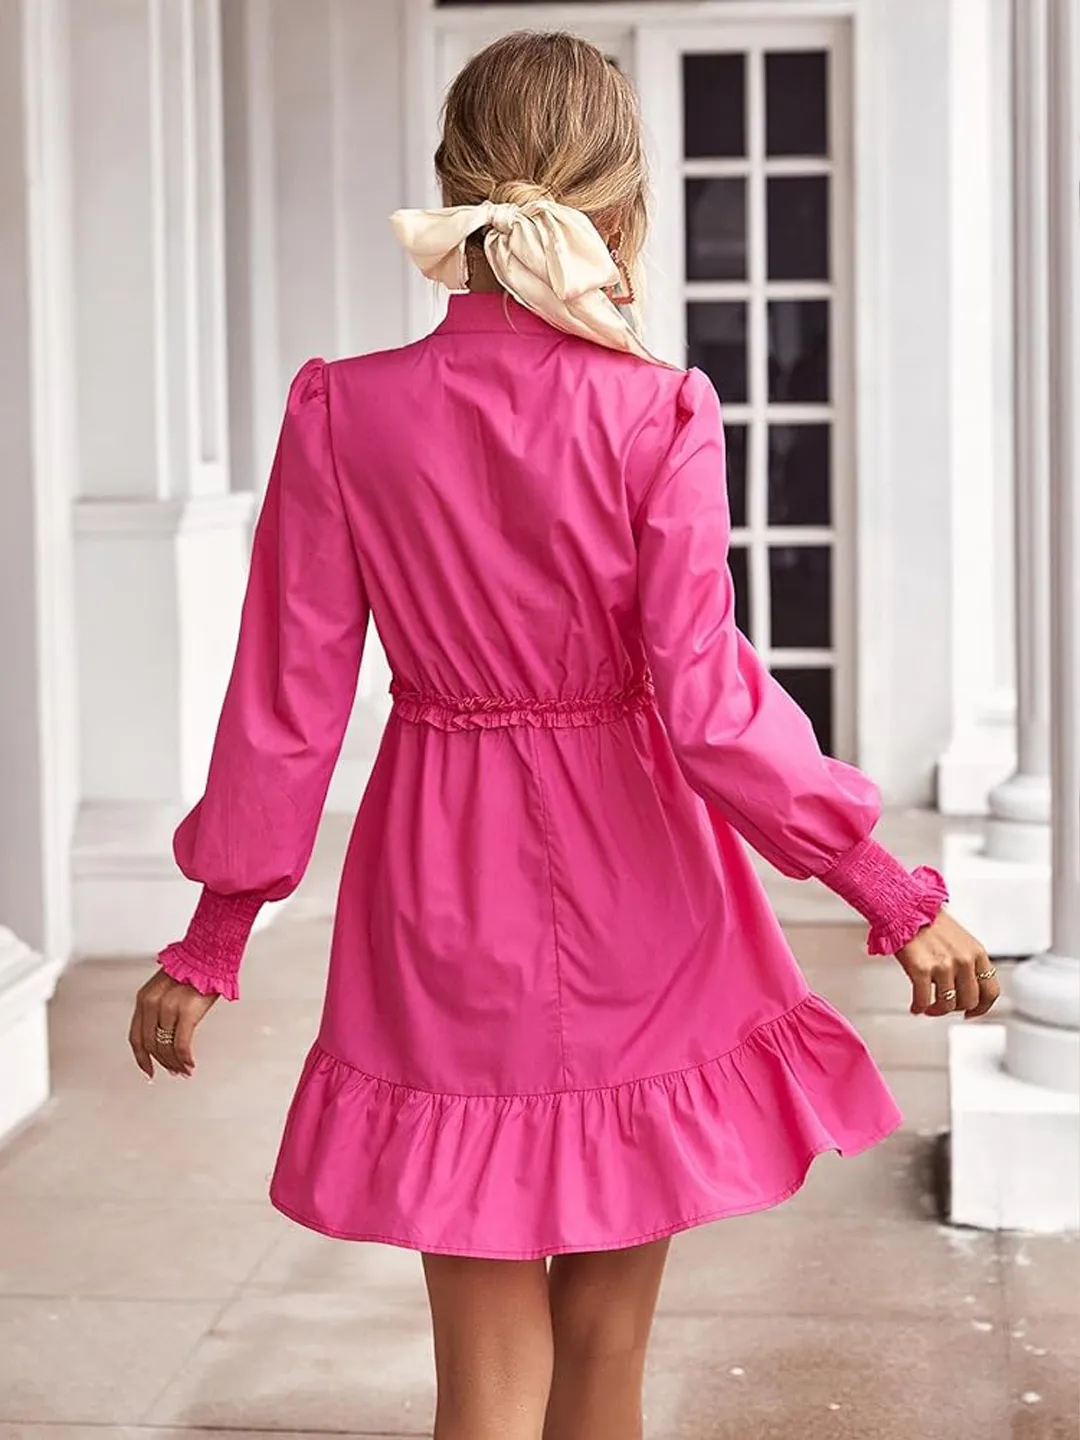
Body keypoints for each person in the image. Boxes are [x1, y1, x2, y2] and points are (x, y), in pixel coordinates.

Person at [128, 31, 1000, 1440]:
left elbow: (287, 694)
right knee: (606, 1355)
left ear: (451, 187)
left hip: (438, 876)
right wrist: (885, 889)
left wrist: (217, 927)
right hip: (640, 877)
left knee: (482, 1379)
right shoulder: (658, 407)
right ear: (624, 202)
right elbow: (710, 703)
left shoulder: (344, 408)